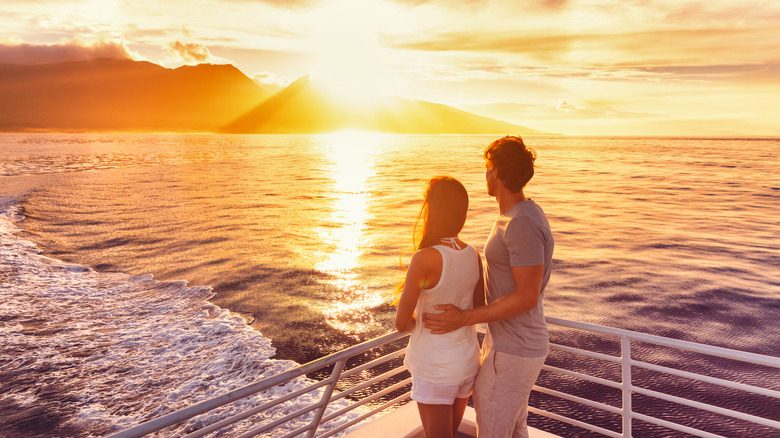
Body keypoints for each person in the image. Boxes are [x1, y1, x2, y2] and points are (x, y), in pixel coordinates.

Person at [422, 136, 554, 438]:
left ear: (495, 172)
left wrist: (463, 318)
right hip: (507, 343)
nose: (485, 174)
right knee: (515, 429)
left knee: (492, 430)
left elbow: (527, 296)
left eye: (487, 167)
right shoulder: (516, 216)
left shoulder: (521, 223)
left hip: (515, 349)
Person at [395, 176, 486, 438]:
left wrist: (419, 320)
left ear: (432, 210)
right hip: (467, 363)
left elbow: (401, 324)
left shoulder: (424, 259)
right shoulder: (472, 254)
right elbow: (477, 309)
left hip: (436, 368)